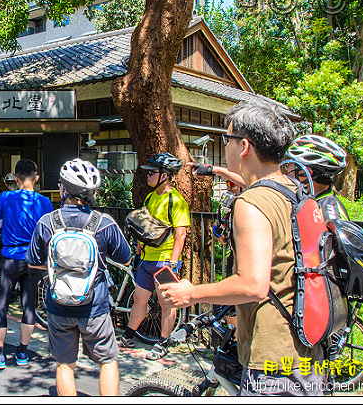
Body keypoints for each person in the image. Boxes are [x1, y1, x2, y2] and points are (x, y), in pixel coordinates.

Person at [159, 101, 325, 396]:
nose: (226, 145)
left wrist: (190, 292)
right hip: (307, 347)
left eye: (227, 138)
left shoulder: (251, 203)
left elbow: (252, 285)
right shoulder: (294, 191)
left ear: (244, 146)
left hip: (272, 358)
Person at [27, 158, 132, 396]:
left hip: (58, 305)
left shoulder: (47, 223)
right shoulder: (104, 224)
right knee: (107, 361)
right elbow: (125, 259)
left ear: (63, 189)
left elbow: (34, 262)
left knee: (64, 364)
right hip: (95, 307)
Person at [0, 159, 53, 370]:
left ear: (16, 178)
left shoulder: (5, 197)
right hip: (33, 261)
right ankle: (22, 352)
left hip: (10, 258)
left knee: (1, 304)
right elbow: (47, 233)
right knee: (29, 305)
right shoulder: (45, 203)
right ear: (36, 179)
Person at [118, 152, 190, 354]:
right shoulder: (150, 198)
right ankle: (129, 337)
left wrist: (173, 263)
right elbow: (145, 228)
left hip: (165, 261)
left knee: (166, 303)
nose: (147, 176)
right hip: (147, 260)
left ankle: (164, 343)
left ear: (165, 175)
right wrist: (139, 252)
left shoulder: (176, 201)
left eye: (152, 172)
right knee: (140, 299)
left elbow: (181, 233)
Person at [285, 134, 349, 221]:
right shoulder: (313, 202)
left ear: (305, 173)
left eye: (290, 164)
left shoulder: (328, 209)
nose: (286, 168)